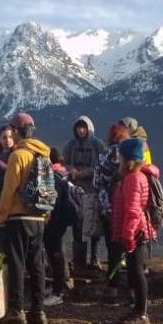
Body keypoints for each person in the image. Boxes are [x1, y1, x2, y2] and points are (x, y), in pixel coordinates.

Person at [0, 112, 51, 324]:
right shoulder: (43, 155)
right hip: (39, 216)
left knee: (17, 263)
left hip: (18, 217)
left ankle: (16, 309)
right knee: (37, 264)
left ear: (16, 132)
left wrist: (1, 216)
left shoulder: (17, 156)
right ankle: (39, 310)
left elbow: (9, 190)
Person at [111, 137, 160, 324]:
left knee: (137, 272)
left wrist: (128, 236)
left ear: (128, 159)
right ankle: (138, 311)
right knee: (134, 272)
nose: (118, 159)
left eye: (120, 156)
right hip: (138, 231)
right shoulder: (136, 177)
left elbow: (133, 211)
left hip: (136, 233)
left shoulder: (132, 179)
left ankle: (141, 314)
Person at [63, 115, 106, 271]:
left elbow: (101, 166)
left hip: (93, 190)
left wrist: (84, 173)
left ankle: (94, 258)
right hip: (74, 190)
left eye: (83, 127)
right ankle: (78, 259)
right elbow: (64, 162)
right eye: (78, 127)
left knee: (94, 224)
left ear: (89, 128)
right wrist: (70, 170)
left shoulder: (98, 145)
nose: (81, 130)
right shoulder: (69, 145)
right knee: (77, 223)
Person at [95, 122, 129, 300]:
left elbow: (96, 182)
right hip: (125, 206)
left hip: (107, 207)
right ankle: (132, 288)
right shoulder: (127, 154)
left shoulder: (103, 154)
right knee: (129, 247)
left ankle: (112, 286)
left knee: (111, 247)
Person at [44, 147, 77, 306]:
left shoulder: (53, 176)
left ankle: (58, 292)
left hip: (54, 221)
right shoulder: (63, 174)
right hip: (62, 220)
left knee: (55, 255)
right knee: (57, 253)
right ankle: (57, 287)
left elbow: (51, 201)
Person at [0, 124, 14, 251]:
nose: (7, 140)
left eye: (10, 137)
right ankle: (1, 263)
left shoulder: (17, 154)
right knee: (0, 234)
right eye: (4, 137)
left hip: (12, 199)